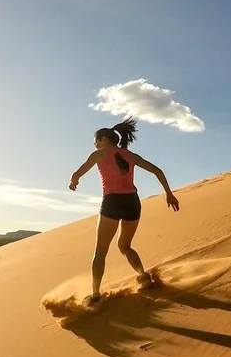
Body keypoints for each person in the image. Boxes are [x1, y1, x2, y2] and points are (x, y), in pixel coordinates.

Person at [69, 117, 180, 305]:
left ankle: (95, 295)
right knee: (125, 246)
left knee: (100, 251)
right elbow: (157, 170)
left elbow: (78, 172)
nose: (95, 144)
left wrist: (74, 181)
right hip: (132, 202)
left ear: (104, 140)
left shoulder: (98, 154)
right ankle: (143, 276)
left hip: (112, 201)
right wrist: (169, 194)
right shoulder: (131, 156)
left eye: (96, 141)